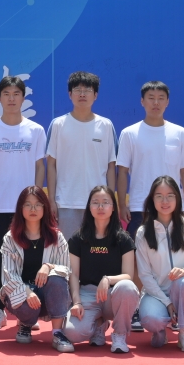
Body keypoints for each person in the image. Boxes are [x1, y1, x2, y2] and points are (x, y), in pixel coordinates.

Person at [116, 81, 184, 331]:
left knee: (173, 258)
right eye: (151, 97)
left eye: (161, 97)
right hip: (140, 206)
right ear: (142, 101)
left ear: (167, 101)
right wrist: (122, 202)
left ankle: (175, 309)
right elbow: (122, 171)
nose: (156, 102)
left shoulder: (179, 133)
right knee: (140, 261)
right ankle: (138, 309)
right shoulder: (129, 133)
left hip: (173, 208)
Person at [0, 76, 46, 331]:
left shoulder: (35, 130)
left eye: (16, 93)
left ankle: (28, 311)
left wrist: (36, 201)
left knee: (28, 258)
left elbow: (40, 166)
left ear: (23, 97)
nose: (11, 98)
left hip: (27, 209)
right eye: (6, 94)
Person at [64, 185, 141, 354]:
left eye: (105, 202)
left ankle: (119, 334)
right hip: (88, 294)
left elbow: (128, 275)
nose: (100, 207)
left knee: (127, 287)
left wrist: (108, 279)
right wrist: (76, 302)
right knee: (71, 333)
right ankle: (99, 325)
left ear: (113, 208)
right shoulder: (78, 238)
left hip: (113, 294)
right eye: (95, 202)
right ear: (89, 207)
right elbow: (74, 274)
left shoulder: (123, 239)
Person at [0, 186, 73, 352]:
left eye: (38, 204)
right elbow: (8, 275)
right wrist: (27, 291)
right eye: (28, 204)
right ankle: (25, 324)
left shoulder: (57, 237)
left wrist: (48, 266)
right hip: (22, 297)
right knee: (25, 303)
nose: (33, 209)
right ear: (20, 208)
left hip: (47, 297)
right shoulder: (10, 238)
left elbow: (67, 270)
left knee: (58, 278)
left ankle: (57, 333)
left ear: (45, 208)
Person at [133, 177, 184, 352]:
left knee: (183, 282)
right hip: (156, 294)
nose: (165, 201)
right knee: (151, 319)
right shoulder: (143, 232)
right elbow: (144, 275)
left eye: (170, 195)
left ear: (177, 198)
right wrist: (166, 302)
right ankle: (159, 330)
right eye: (159, 196)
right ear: (152, 199)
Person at [46, 71, 117, 239]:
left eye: (87, 90)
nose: (82, 94)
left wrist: (110, 201)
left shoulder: (106, 125)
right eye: (77, 90)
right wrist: (51, 200)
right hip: (66, 202)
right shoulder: (58, 124)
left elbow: (111, 167)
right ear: (70, 94)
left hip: (99, 203)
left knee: (98, 250)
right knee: (68, 250)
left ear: (95, 95)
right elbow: (51, 165)